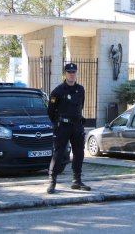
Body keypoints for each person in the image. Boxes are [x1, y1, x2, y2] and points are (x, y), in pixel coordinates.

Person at [46, 62, 91, 194]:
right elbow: (50, 111)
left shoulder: (80, 89)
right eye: (69, 72)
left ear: (76, 73)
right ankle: (52, 182)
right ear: (65, 74)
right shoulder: (58, 91)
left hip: (76, 125)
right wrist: (56, 124)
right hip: (63, 126)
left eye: (74, 72)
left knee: (79, 153)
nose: (72, 74)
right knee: (59, 153)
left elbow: (80, 106)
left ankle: (76, 181)